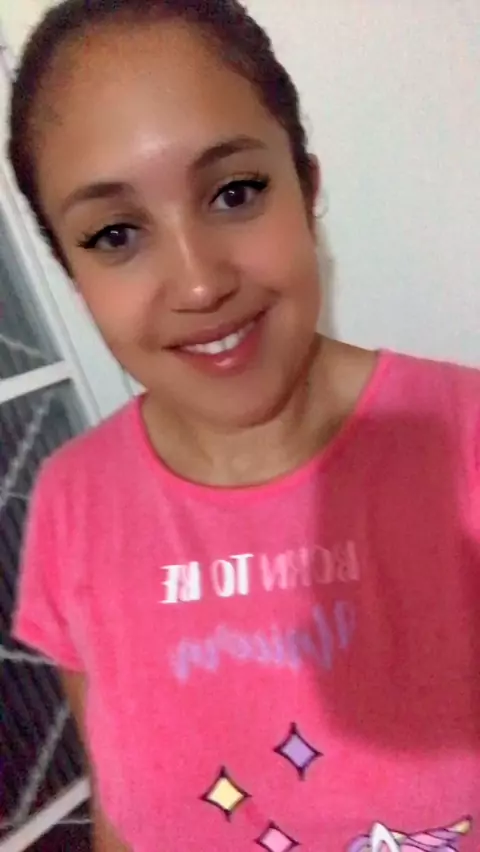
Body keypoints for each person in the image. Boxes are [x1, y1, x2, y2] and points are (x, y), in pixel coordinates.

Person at [9, 1, 480, 850]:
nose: (199, 284)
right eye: (115, 234)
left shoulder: (466, 440)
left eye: (235, 192)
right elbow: (121, 818)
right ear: (74, 274)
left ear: (308, 186)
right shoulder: (72, 503)